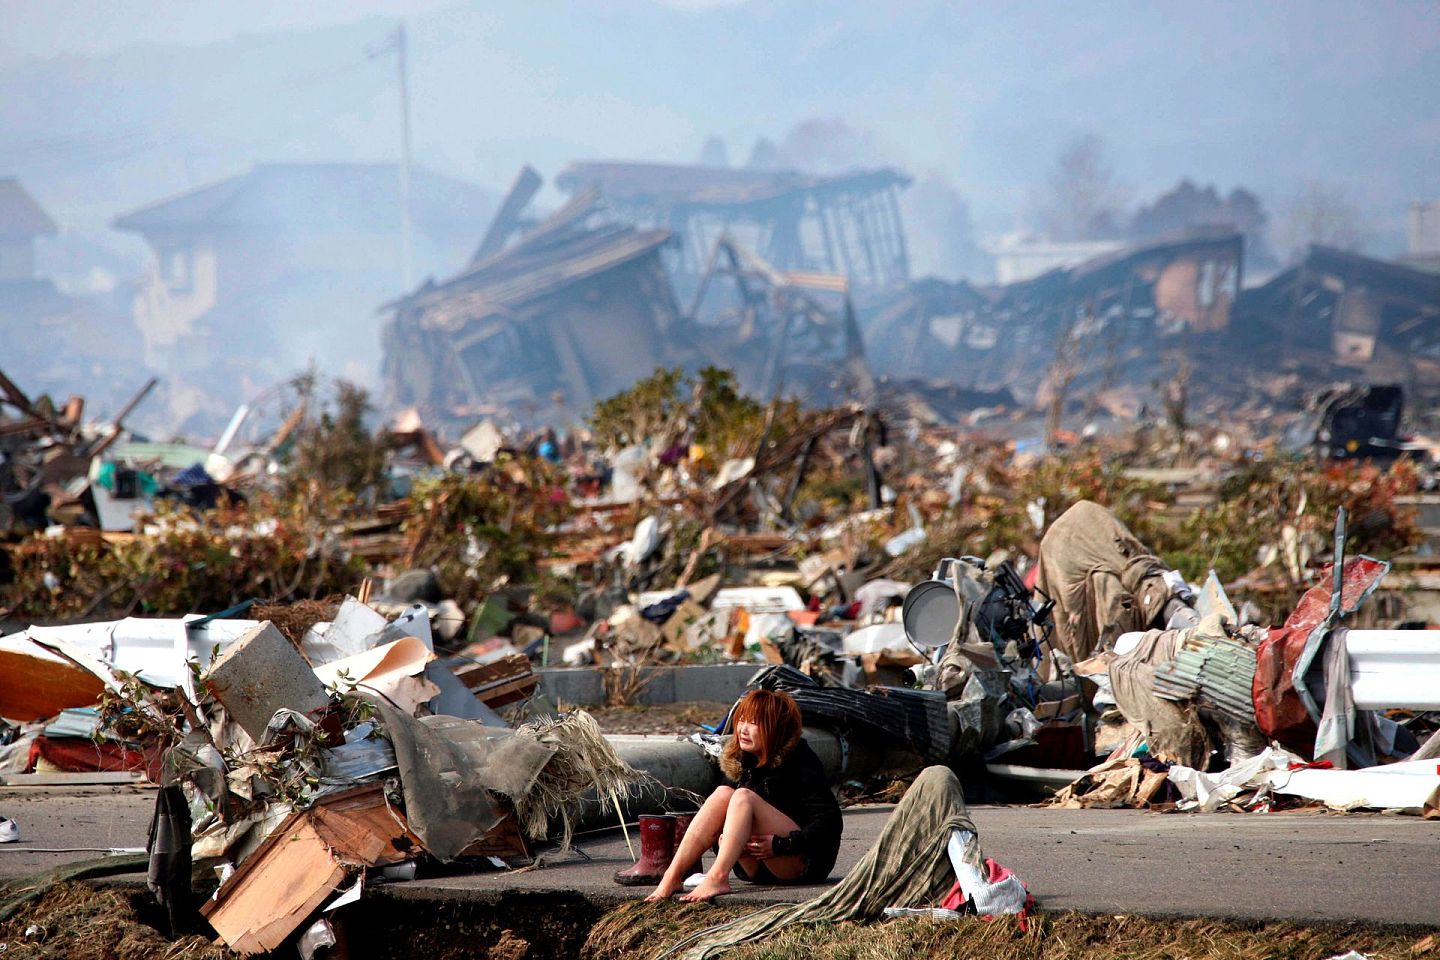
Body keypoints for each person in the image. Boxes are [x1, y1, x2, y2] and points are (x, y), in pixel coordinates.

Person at [645, 689, 842, 903]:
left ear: (776, 727)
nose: (743, 729)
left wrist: (780, 845)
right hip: (754, 869)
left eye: (754, 723)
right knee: (723, 794)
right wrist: (723, 843)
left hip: (800, 863)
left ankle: (718, 877)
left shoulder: (800, 760)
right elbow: (717, 823)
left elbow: (829, 823)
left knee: (743, 797)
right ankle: (672, 876)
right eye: (741, 721)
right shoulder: (741, 761)